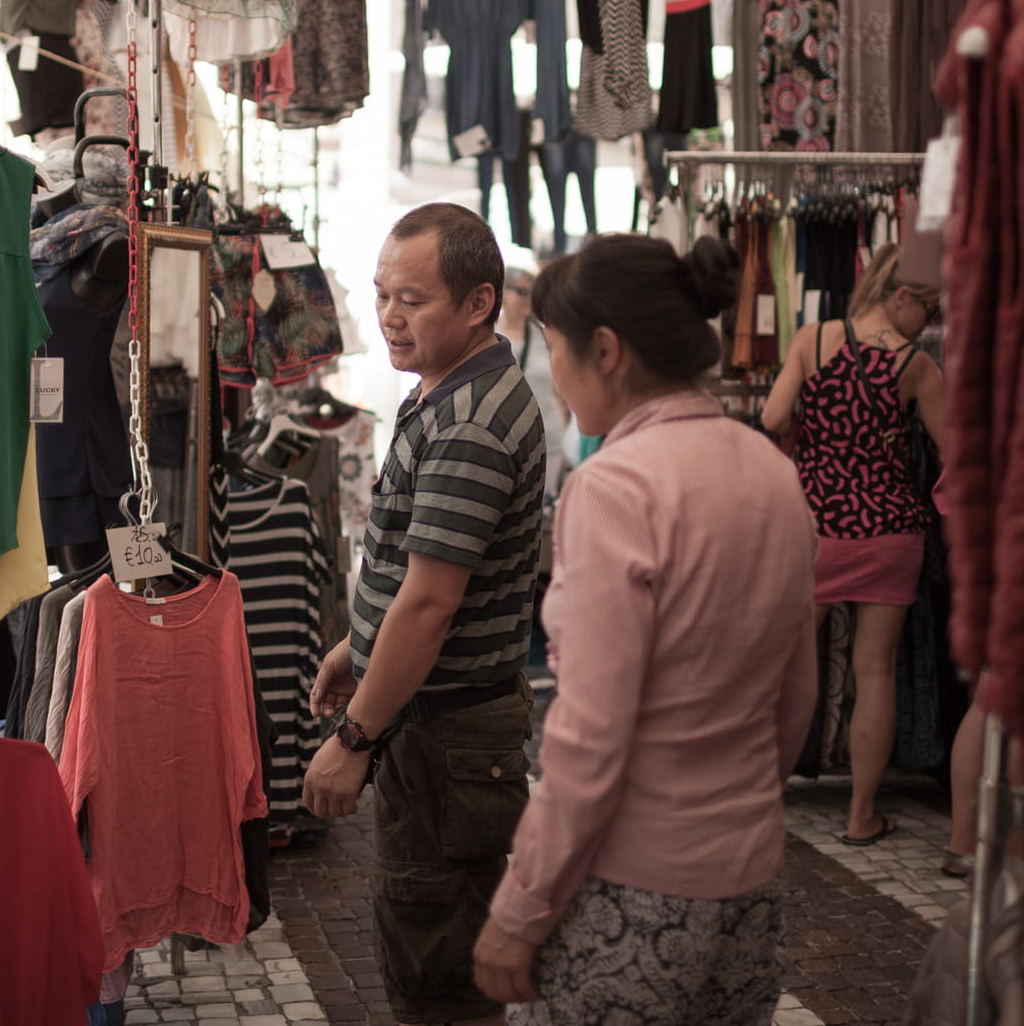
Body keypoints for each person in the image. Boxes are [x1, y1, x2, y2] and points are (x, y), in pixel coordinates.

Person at [471, 234, 819, 1025]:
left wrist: (519, 910)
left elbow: (589, 735)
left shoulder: (615, 487)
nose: (554, 374)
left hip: (629, 887)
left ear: (605, 349)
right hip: (749, 880)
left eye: (556, 350)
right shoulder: (772, 469)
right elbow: (797, 691)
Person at [302, 202, 546, 1026]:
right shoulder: (442, 389)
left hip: (445, 734)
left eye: (414, 299)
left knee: (438, 969)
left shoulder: (470, 421)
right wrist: (355, 644)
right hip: (433, 721)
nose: (390, 317)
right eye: (381, 295)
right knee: (426, 935)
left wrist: (354, 738)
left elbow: (433, 602)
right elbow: (414, 565)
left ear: (479, 302)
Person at [760, 241, 945, 846]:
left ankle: (753, 793)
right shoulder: (916, 365)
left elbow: (771, 417)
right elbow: (956, 452)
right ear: (900, 298)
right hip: (890, 530)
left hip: (816, 527)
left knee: (784, 666)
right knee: (875, 673)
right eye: (929, 309)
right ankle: (862, 815)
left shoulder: (811, 340)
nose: (931, 322)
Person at [495, 266, 568, 496]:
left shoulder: (541, 333)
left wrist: (565, 427)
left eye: (531, 292)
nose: (528, 299)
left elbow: (557, 387)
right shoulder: (490, 336)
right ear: (505, 292)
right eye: (522, 292)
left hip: (550, 434)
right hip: (507, 439)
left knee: (544, 507)